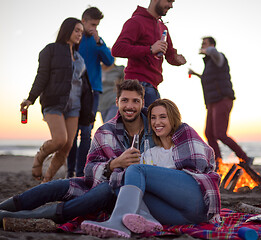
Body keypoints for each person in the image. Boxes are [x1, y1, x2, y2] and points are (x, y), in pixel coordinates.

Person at [0, 80, 154, 226]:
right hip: (98, 183)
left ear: (143, 102)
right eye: (125, 100)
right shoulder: (105, 131)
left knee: (106, 190)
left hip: (127, 194)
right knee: (56, 186)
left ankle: (20, 217)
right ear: (116, 102)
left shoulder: (155, 128)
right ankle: (5, 206)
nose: (130, 106)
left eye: (135, 101)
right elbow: (89, 170)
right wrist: (113, 165)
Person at [81, 99, 221, 238]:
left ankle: (117, 222)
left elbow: (201, 165)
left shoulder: (185, 133)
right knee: (121, 183)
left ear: (173, 118)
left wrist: (158, 177)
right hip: (180, 216)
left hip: (197, 201)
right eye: (153, 118)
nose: (156, 122)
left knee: (136, 170)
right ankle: (148, 219)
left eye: (163, 117)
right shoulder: (150, 153)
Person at [19, 18, 95, 183]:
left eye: (81, 32)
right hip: (54, 102)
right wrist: (31, 98)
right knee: (60, 140)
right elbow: (42, 76)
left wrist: (88, 112)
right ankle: (39, 158)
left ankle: (46, 182)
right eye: (76, 30)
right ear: (66, 30)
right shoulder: (51, 50)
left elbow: (84, 87)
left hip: (75, 106)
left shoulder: (79, 58)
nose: (79, 35)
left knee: (67, 147)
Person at [188, 37, 253, 168]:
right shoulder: (209, 64)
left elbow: (213, 52)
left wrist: (206, 49)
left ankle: (245, 158)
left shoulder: (218, 58)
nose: (202, 46)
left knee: (220, 134)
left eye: (204, 44)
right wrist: (195, 74)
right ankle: (218, 162)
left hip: (222, 99)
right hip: (211, 102)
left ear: (212, 45)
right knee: (209, 133)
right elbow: (209, 79)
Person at [111, 0, 187, 107]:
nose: (171, 6)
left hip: (153, 87)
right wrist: (150, 49)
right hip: (136, 85)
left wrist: (176, 59)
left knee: (154, 123)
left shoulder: (163, 27)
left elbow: (169, 54)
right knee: (147, 123)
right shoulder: (136, 22)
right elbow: (117, 49)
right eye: (169, 1)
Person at [67, 7, 114, 178]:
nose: (95, 27)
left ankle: (80, 173)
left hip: (93, 91)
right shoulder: (75, 38)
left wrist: (99, 41)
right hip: (74, 90)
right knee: (71, 133)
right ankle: (69, 170)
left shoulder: (97, 40)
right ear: (84, 21)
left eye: (97, 25)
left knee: (86, 132)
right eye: (92, 24)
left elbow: (109, 60)